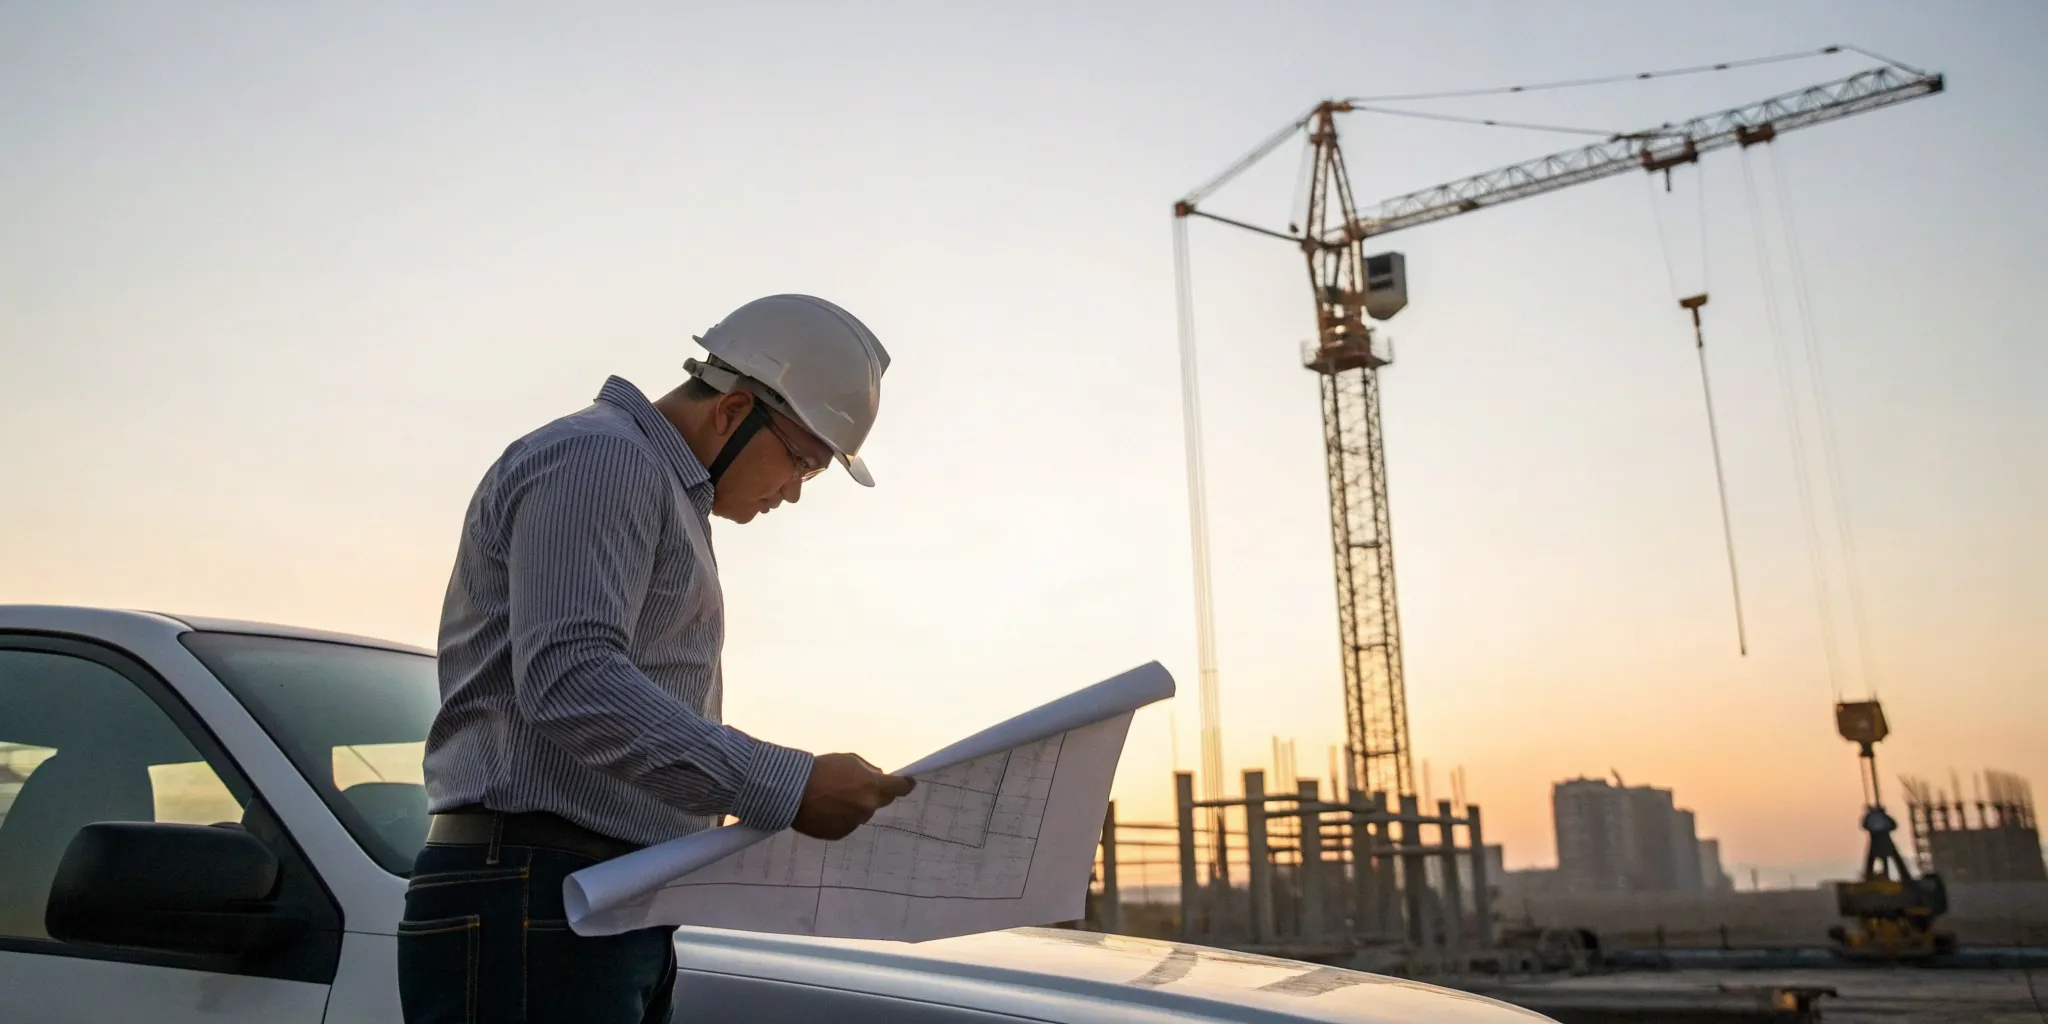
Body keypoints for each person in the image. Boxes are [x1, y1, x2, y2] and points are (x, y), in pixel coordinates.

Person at [399, 294, 915, 1024]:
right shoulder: (602, 459)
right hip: (539, 893)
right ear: (733, 412)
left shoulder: (649, 483)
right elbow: (571, 678)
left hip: (586, 895)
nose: (794, 492)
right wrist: (788, 784)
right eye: (801, 460)